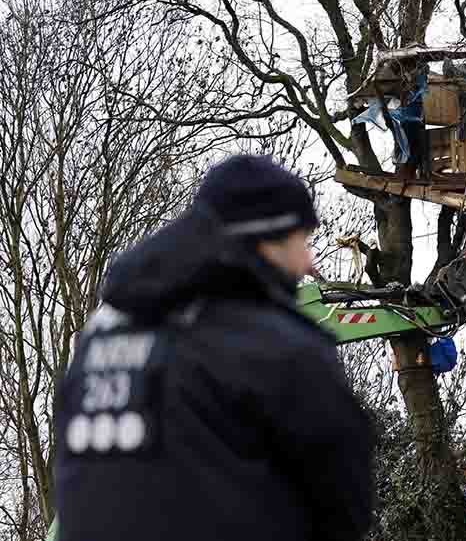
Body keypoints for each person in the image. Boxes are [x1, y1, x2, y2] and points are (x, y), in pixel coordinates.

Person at [54, 155, 373, 541]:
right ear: (266, 240)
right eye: (301, 240)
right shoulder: (276, 344)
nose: (308, 260)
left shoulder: (99, 337)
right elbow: (344, 503)